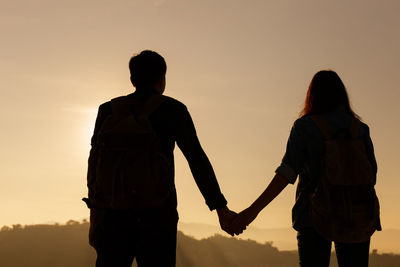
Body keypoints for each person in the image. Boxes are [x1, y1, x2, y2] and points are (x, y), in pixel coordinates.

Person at [84, 50, 243, 267]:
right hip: (157, 215)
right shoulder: (172, 110)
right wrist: (220, 208)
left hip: (112, 215)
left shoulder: (108, 110)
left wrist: (96, 211)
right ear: (162, 78)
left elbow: (94, 164)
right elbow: (196, 159)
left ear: (132, 79)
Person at [231, 70, 381, 267]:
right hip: (358, 217)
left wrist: (251, 212)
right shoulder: (360, 129)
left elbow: (287, 172)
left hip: (312, 216)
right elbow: (372, 175)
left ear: (313, 96)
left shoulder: (305, 127)